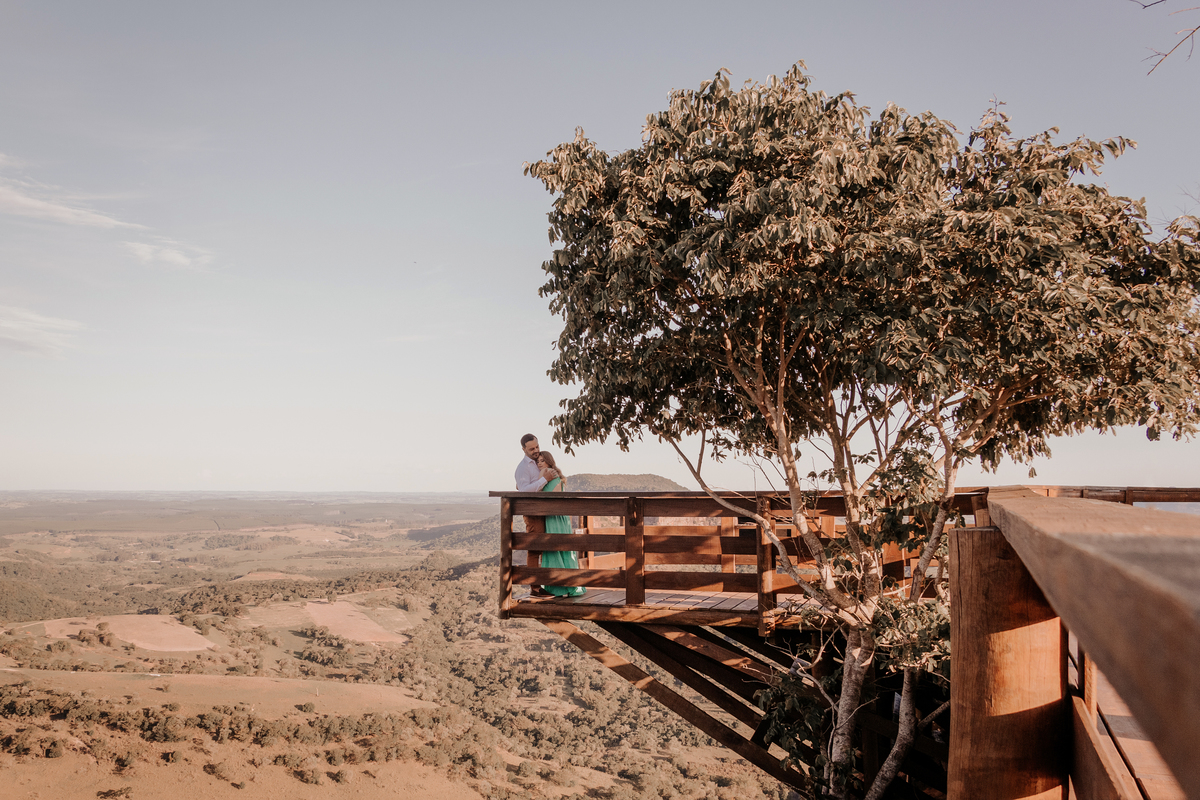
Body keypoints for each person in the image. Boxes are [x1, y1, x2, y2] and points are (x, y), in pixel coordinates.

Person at [535, 450, 585, 597]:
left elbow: (540, 496)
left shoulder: (550, 476)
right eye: (538, 461)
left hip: (555, 518)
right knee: (558, 551)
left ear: (549, 462)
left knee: (556, 549)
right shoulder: (554, 478)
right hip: (557, 518)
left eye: (542, 460)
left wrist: (540, 476)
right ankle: (563, 586)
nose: (539, 463)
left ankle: (562, 587)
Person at [515, 433, 555, 586]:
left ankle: (546, 584)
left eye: (537, 446)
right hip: (533, 513)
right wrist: (545, 480)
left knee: (546, 548)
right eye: (531, 449)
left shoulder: (540, 462)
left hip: (545, 512)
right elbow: (524, 490)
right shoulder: (523, 468)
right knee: (534, 549)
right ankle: (535, 587)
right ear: (524, 449)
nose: (536, 450)